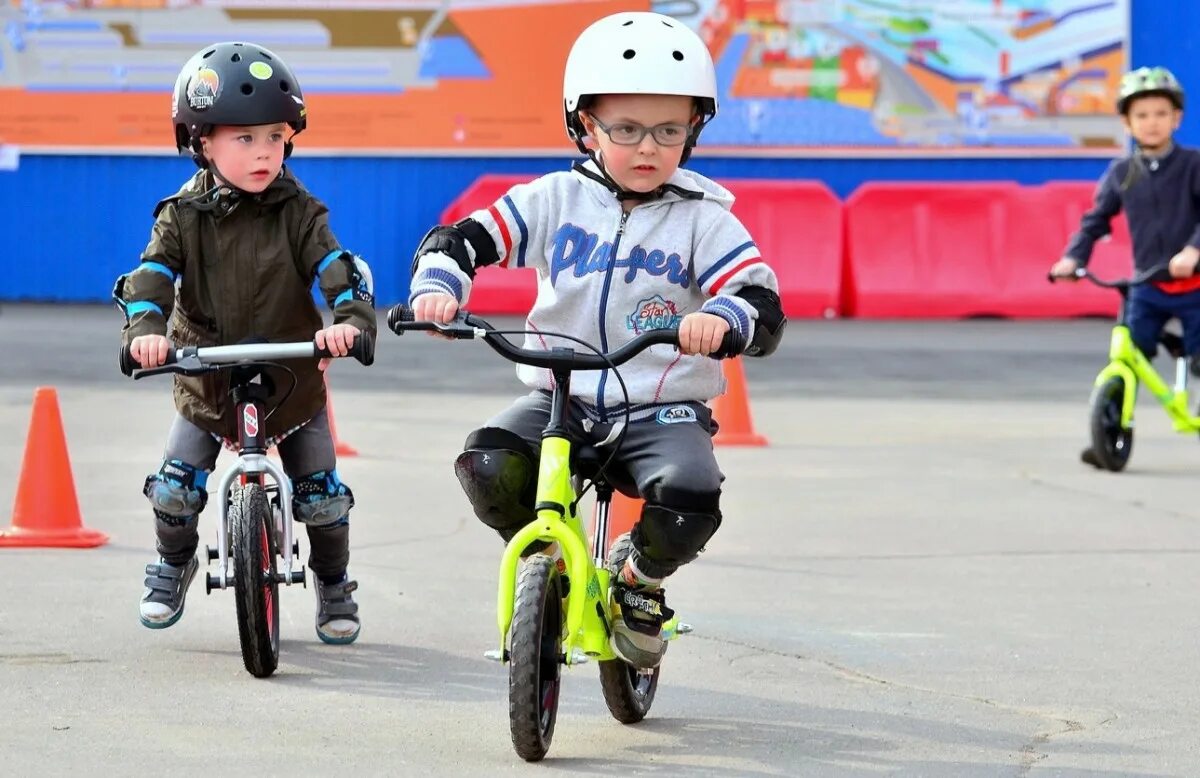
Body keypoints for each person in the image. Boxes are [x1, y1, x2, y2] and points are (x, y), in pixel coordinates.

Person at [406, 12, 785, 668]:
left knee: (692, 494)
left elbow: (759, 298)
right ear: (584, 125)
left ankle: (639, 582)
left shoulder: (705, 219)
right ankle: (544, 555)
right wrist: (439, 291)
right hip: (563, 398)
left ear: (695, 128)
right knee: (489, 463)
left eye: (669, 130)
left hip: (657, 406)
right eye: (626, 129)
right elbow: (460, 240)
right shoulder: (554, 200)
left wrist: (723, 322)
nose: (648, 148)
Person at [113, 42, 376, 643]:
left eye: (274, 138)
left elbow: (336, 268)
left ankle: (333, 583)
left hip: (292, 379)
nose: (263, 153)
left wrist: (350, 318)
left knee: (323, 499)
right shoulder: (181, 215)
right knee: (176, 489)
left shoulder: (301, 210)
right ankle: (174, 564)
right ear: (202, 141)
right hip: (206, 376)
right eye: (243, 139)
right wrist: (147, 332)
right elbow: (151, 277)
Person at [1049, 67, 1200, 467]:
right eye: (1142, 115)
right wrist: (1073, 258)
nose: (1152, 123)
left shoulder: (1193, 165)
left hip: (1194, 282)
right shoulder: (1122, 173)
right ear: (1126, 122)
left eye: (1161, 114)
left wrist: (1193, 251)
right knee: (1131, 352)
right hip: (1147, 284)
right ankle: (1111, 431)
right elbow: (1096, 220)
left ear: (1176, 119)